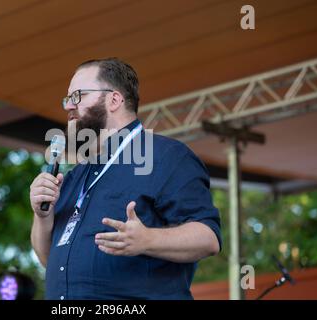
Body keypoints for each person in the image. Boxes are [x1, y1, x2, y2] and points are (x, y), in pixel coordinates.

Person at [30, 58, 221, 300]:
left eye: (77, 96)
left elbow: (208, 238)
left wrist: (147, 240)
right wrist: (42, 216)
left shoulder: (166, 155)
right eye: (67, 99)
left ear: (114, 100)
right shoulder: (76, 175)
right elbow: (48, 259)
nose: (69, 105)